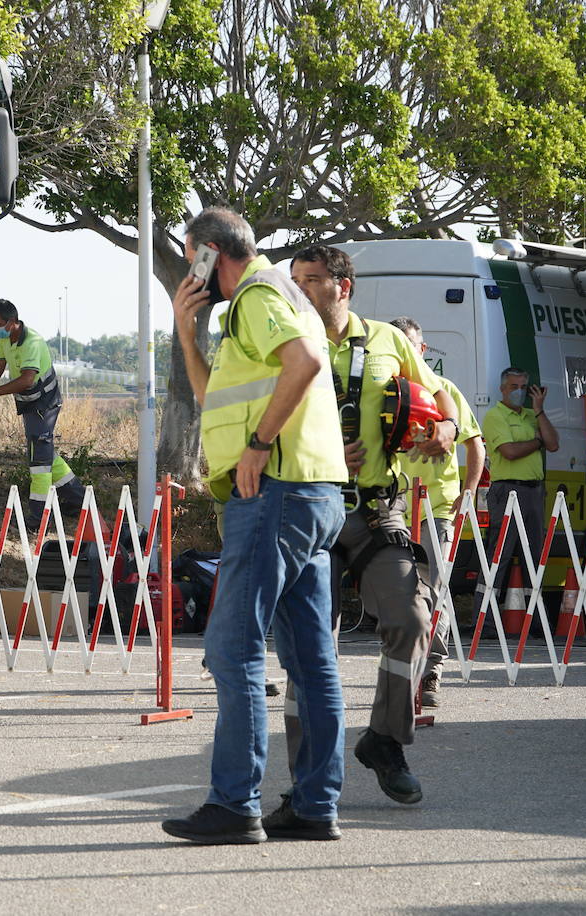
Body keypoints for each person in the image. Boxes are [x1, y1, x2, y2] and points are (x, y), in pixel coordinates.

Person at [159, 207, 347, 845]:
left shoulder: (259, 294)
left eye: (194, 261)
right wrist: (188, 334)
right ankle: (316, 804)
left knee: (232, 648)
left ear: (213, 253)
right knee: (311, 659)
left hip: (274, 494)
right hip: (314, 494)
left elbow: (303, 365)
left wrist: (260, 444)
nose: (192, 273)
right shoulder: (276, 296)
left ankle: (234, 803)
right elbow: (217, 396)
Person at [278, 245, 457, 810]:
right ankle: (308, 778)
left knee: (411, 617)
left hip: (377, 510)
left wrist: (447, 429)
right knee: (309, 646)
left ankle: (384, 741)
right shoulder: (280, 341)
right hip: (308, 506)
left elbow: (440, 396)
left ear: (344, 286)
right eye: (295, 280)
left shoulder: (388, 340)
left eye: (312, 280)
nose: (301, 290)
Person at [388, 316, 485, 708]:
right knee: (400, 592)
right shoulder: (388, 394)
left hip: (436, 507)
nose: (407, 355)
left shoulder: (444, 391)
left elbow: (476, 445)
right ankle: (401, 668)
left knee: (434, 590)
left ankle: (432, 670)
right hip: (394, 504)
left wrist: (469, 491)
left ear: (423, 350)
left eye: (412, 347)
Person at [0, 300, 86, 519]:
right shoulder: (5, 340)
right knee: (45, 454)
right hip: (29, 404)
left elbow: (26, 380)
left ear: (12, 322)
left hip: (44, 403)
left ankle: (38, 517)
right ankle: (78, 501)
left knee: (39, 463)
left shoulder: (32, 342)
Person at [479, 368, 559, 610]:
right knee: (499, 557)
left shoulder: (531, 415)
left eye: (523, 387)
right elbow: (510, 452)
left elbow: (553, 444)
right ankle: (484, 619)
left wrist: (539, 410)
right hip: (507, 491)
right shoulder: (495, 416)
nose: (519, 392)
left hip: (534, 491)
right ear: (503, 389)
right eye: (514, 387)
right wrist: (537, 442)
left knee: (533, 558)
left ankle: (534, 622)